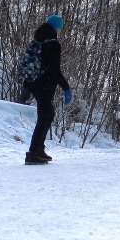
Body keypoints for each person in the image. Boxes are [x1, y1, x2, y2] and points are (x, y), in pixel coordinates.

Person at [22, 14, 73, 165]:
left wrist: (27, 85)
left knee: (48, 114)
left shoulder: (37, 40)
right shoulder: (52, 44)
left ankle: (39, 149)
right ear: (57, 27)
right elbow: (54, 69)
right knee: (44, 116)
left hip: (34, 83)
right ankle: (33, 153)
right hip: (44, 84)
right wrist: (66, 88)